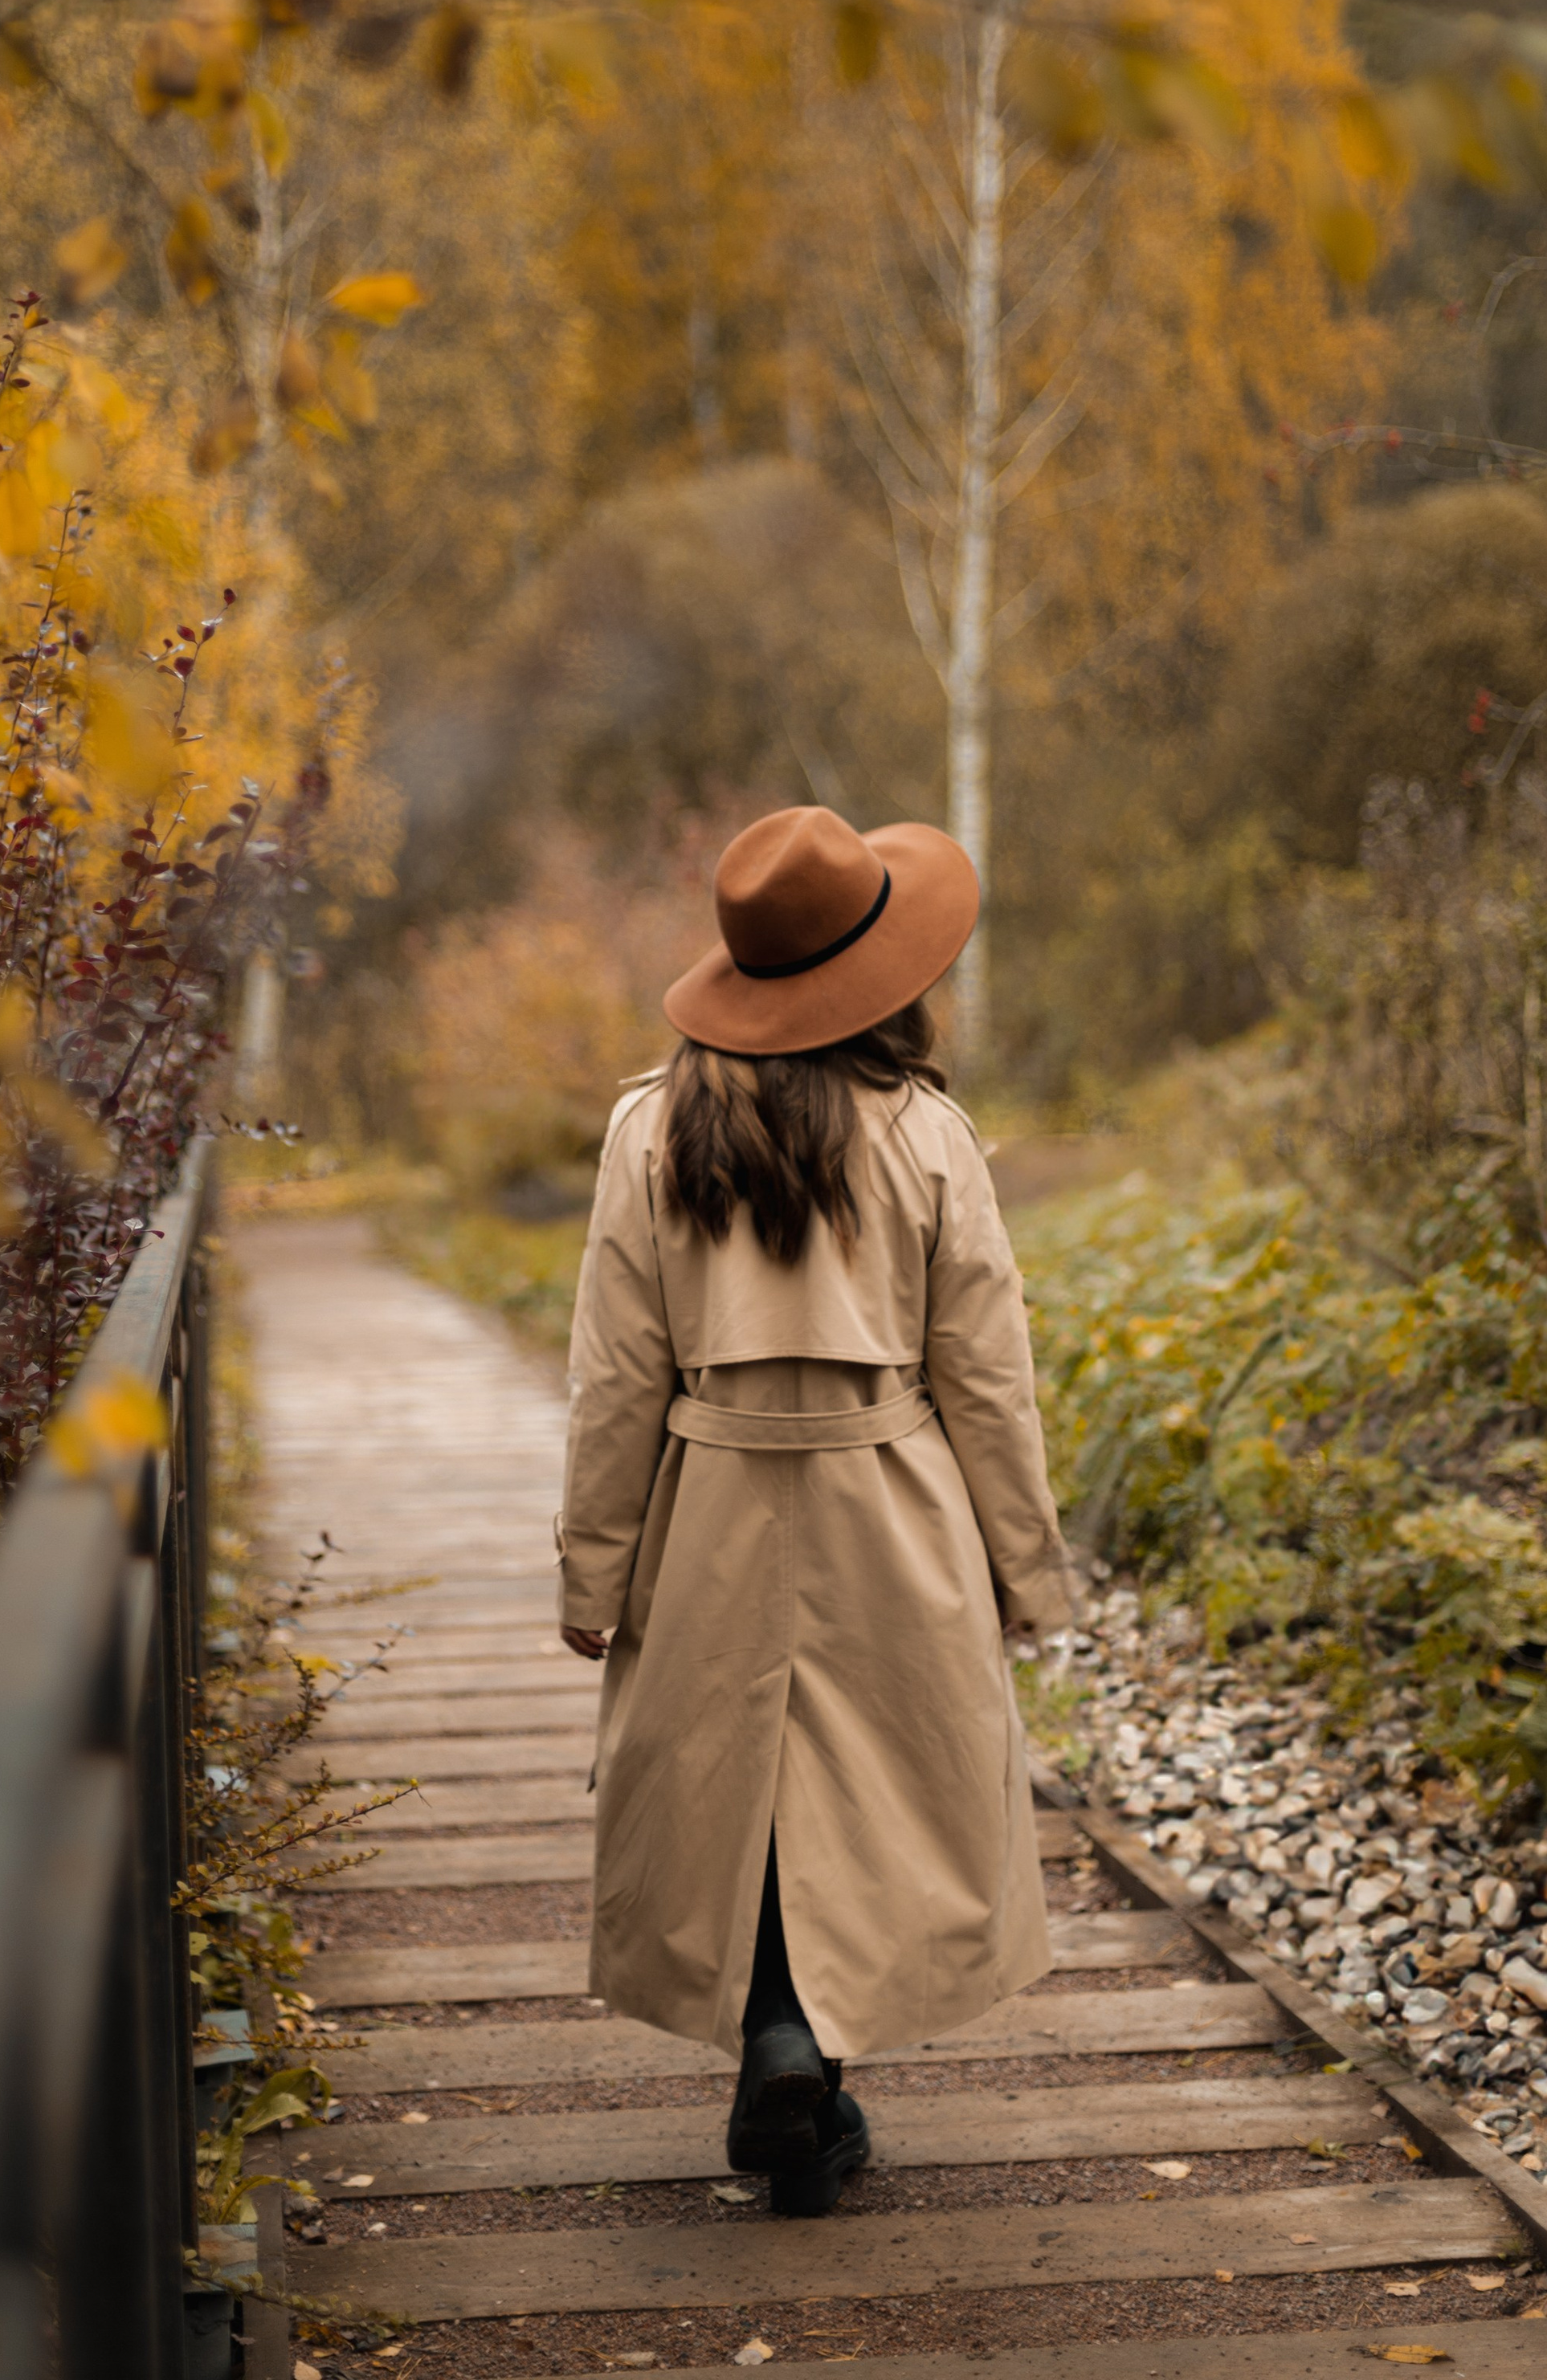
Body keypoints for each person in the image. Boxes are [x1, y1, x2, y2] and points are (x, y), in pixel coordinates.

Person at [555, 804, 1073, 2217]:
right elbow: (987, 1373)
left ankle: (777, 2038)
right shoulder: (926, 1136)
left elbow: (615, 1375)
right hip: (889, 1494)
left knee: (737, 1772)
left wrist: (594, 1573)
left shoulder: (647, 1131)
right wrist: (1026, 1562)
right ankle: (808, 2054)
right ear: (880, 972)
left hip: (710, 1495)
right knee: (875, 1776)